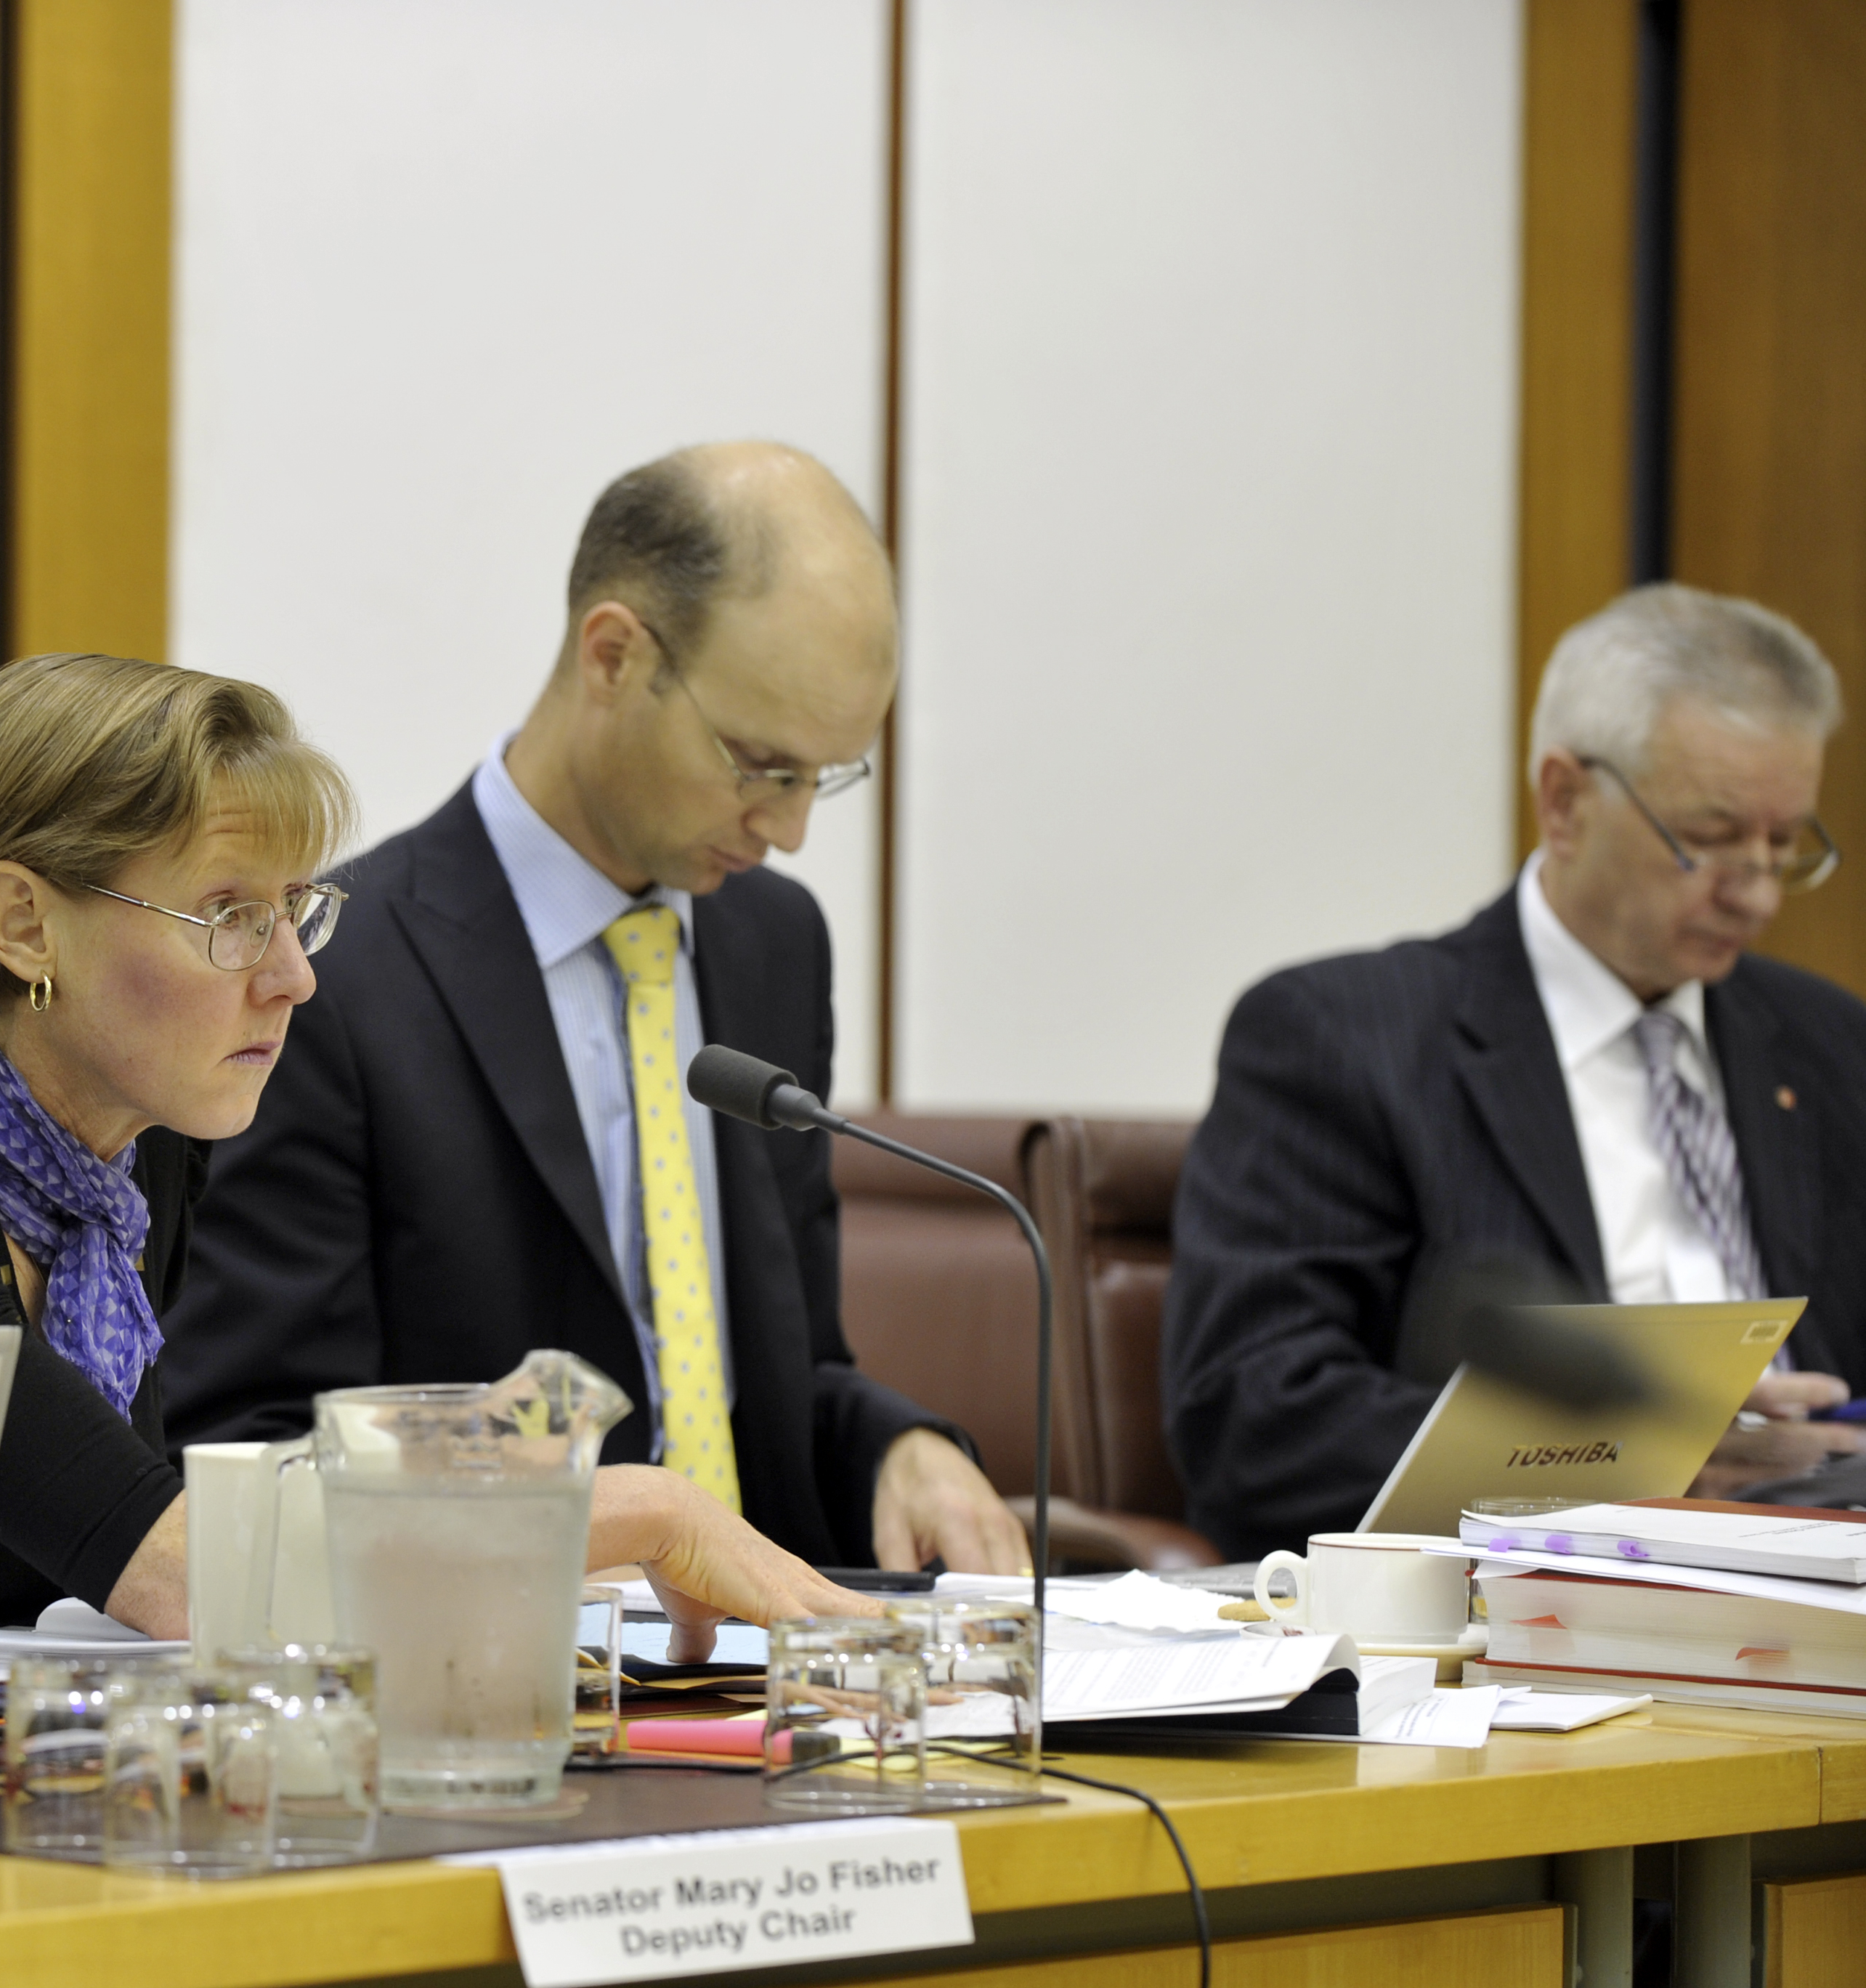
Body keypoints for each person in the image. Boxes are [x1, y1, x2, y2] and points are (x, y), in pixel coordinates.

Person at [0, 652, 865, 1651]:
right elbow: (174, 1570)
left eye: (297, 910)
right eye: (231, 917)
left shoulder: (125, 1187)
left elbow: (187, 1525)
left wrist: (444, 1459)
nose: (294, 976)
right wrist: (638, 1506)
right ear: (22, 924)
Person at [161, 446, 1031, 1575]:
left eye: (824, 776)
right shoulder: (333, 977)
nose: (791, 828)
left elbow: (766, 1376)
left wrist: (896, 1444)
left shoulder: (772, 943)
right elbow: (258, 1457)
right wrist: (608, 1530)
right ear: (613, 655)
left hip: (768, 1662)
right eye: (762, 764)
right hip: (487, 1676)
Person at [1166, 583, 1866, 1561]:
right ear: (1566, 801)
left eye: (1784, 843)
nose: (1754, 892)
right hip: (1520, 1610)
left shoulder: (1828, 1041)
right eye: (1706, 841)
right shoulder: (1344, 1037)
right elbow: (1252, 1414)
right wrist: (1636, 1456)